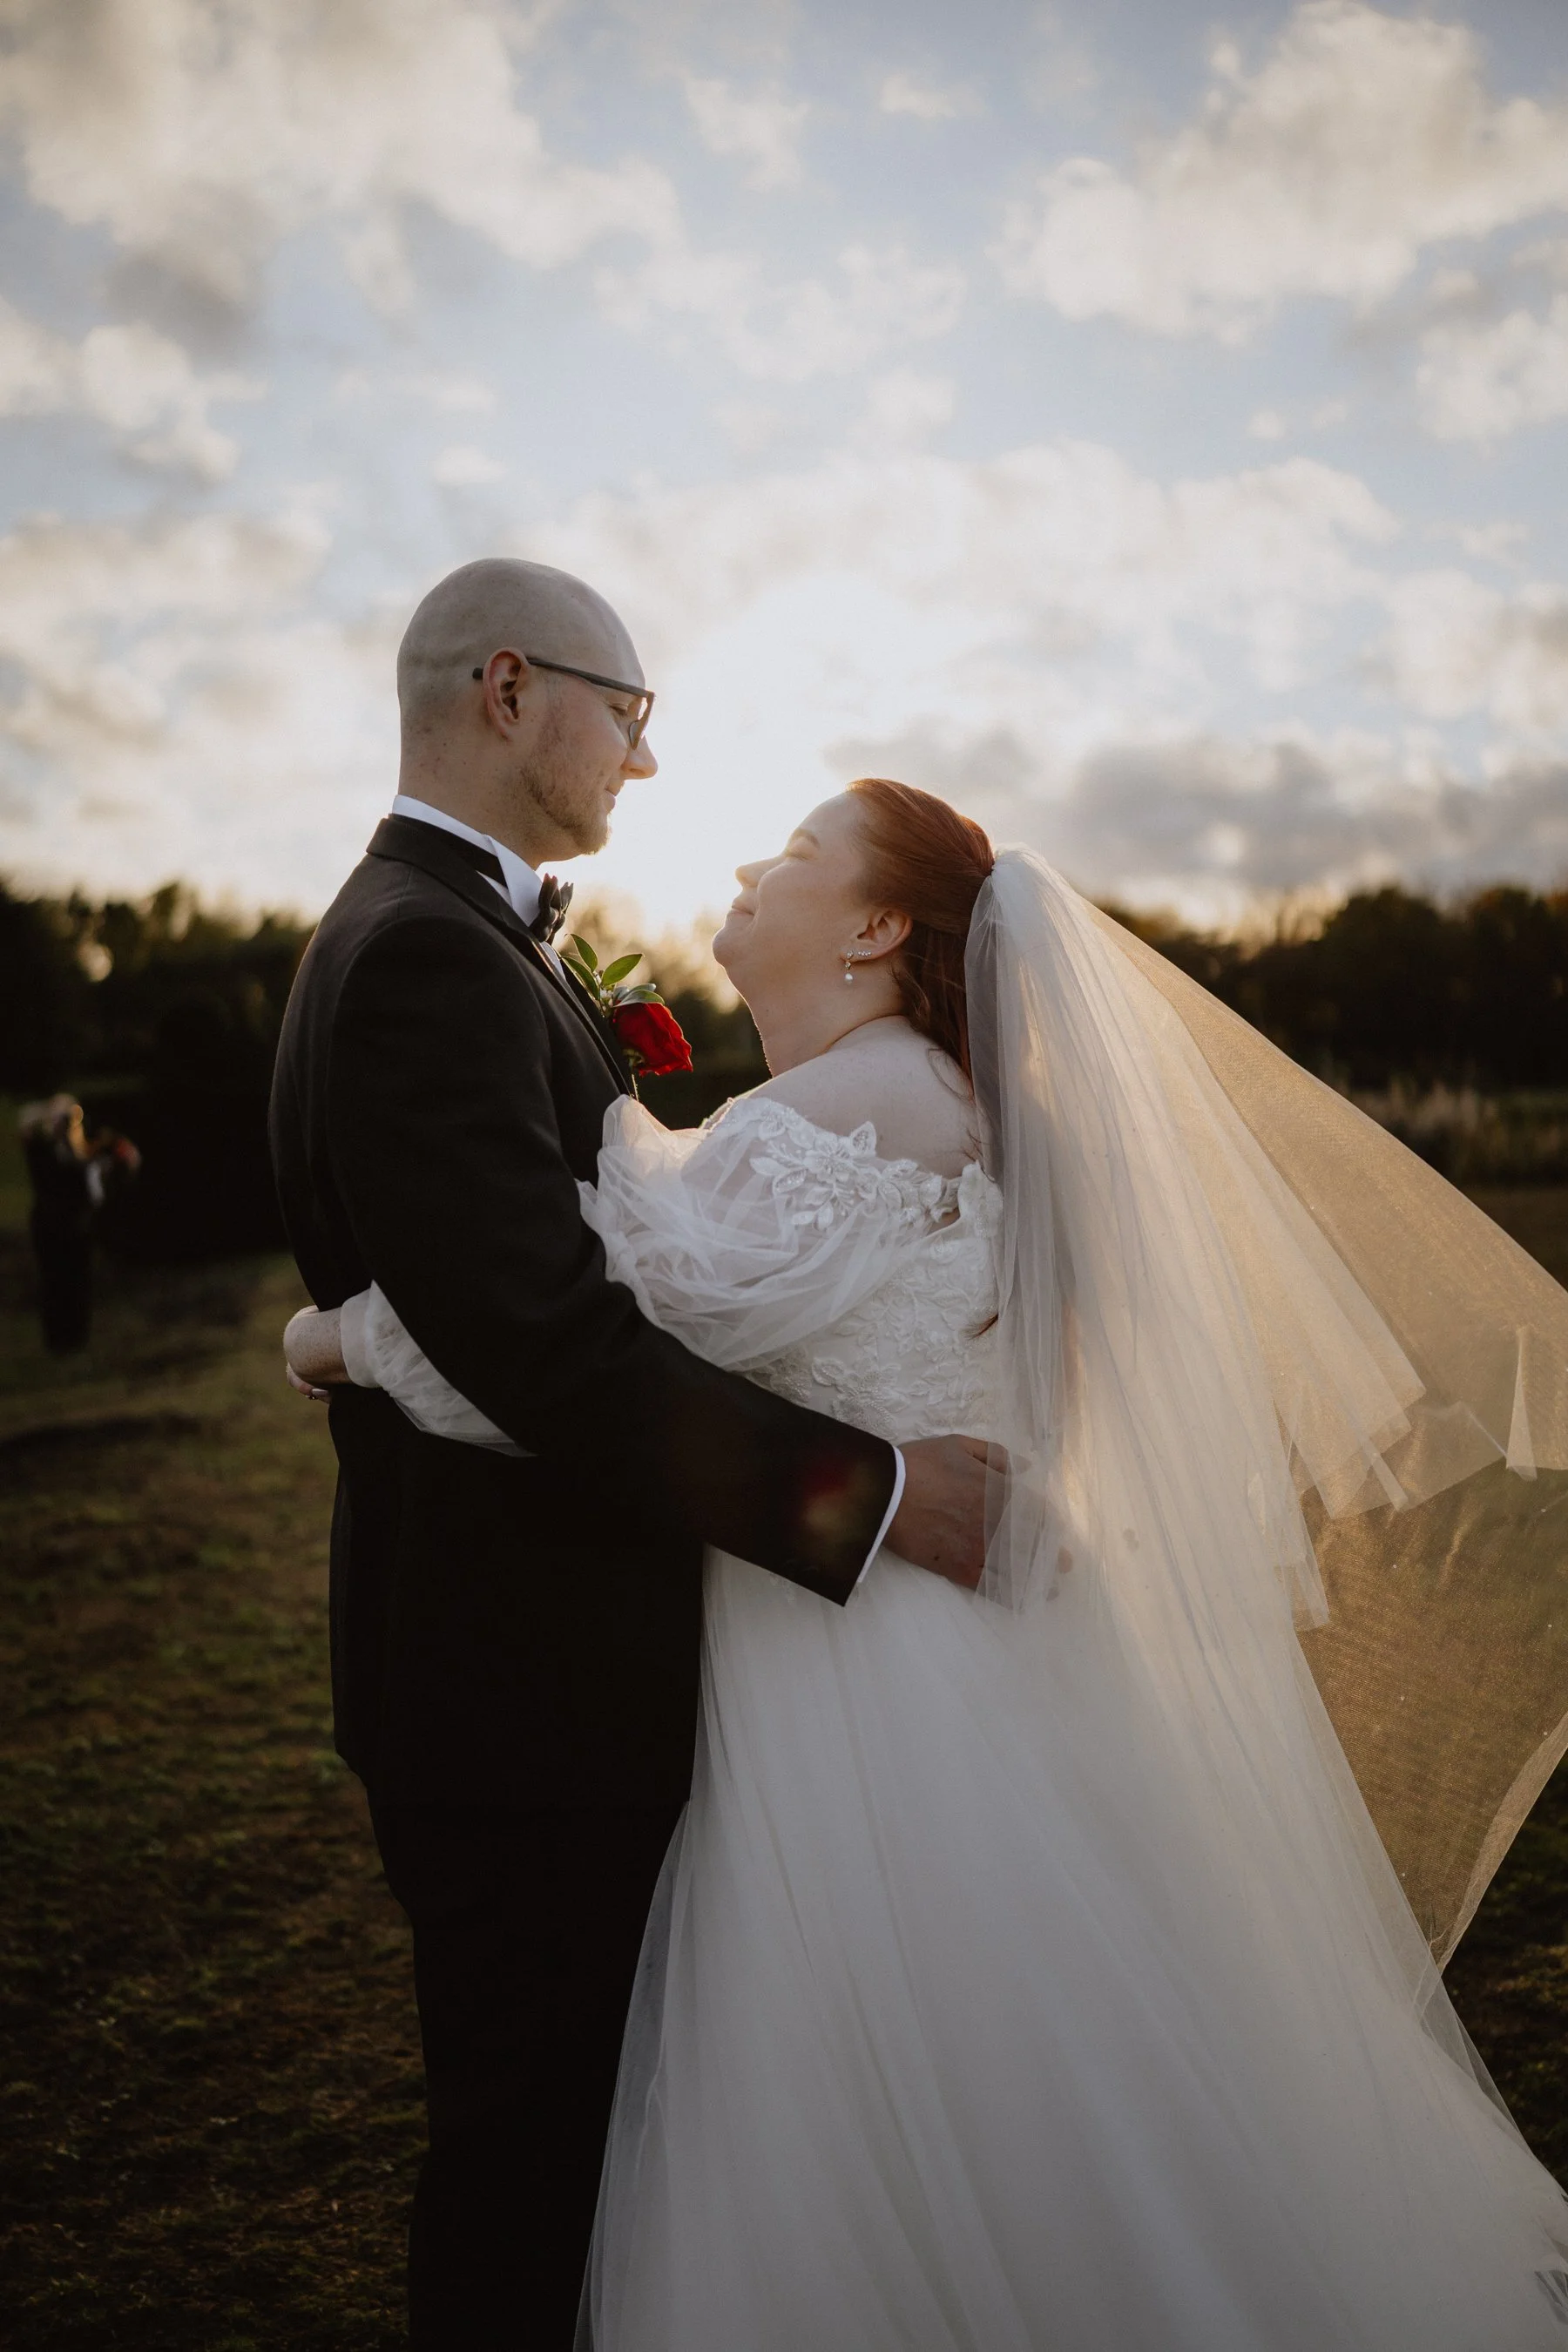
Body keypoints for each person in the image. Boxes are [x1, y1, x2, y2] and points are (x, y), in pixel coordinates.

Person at [295, 776, 1568, 2347]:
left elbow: (558, 1338)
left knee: (911, 2097)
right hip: (970, 1655)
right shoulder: (945, 1101)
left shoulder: (852, 1111)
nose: (758, 862)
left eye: (801, 850)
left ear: (881, 924)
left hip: (872, 1686)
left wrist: (334, 1336)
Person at [267, 561, 991, 2349]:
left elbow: (581, 1312)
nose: (651, 767)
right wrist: (880, 1495)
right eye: (633, 714)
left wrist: (335, 1336)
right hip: (521, 1707)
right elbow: (561, 1358)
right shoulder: (430, 955)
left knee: (591, 2179)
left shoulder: (458, 938)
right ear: (512, 690)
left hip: (561, 1689)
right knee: (533, 2196)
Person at [20, 1095, 139, 1351]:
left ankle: (73, 1339)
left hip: (74, 1227)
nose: (72, 1124)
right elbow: (69, 1172)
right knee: (57, 1285)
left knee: (76, 1284)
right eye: (66, 1118)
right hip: (55, 1227)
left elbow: (96, 1179)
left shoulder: (73, 1151)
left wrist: (114, 1158)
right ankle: (61, 1341)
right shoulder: (46, 1150)